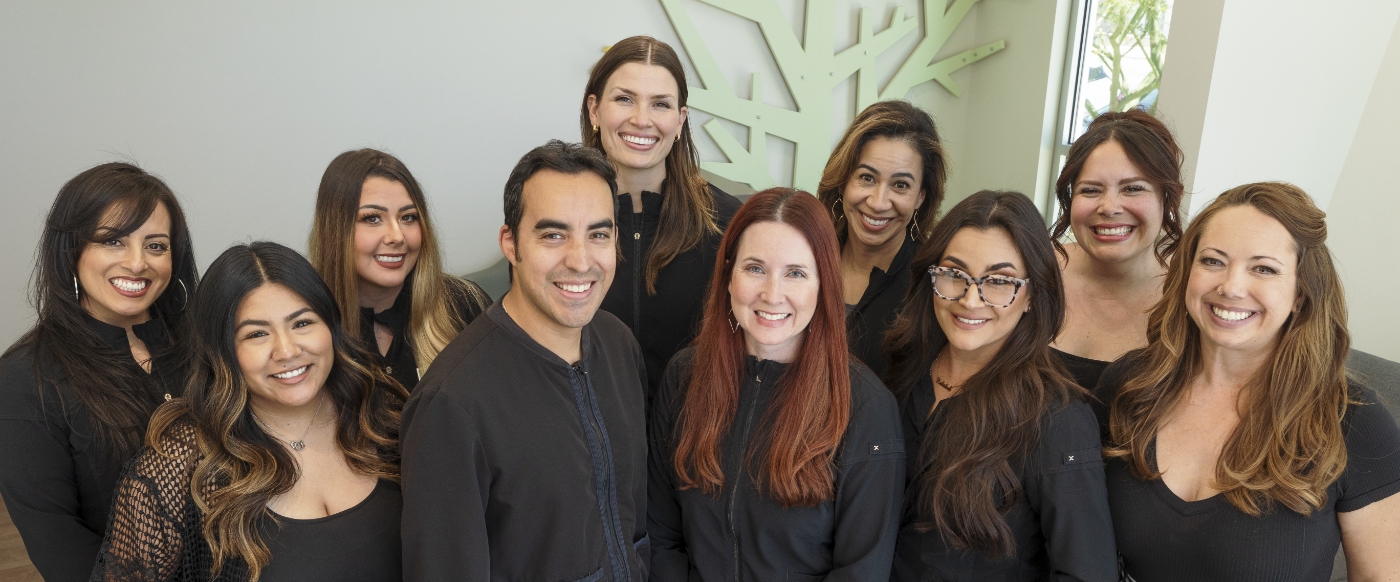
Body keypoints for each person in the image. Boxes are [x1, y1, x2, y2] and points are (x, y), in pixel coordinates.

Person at [1095, 182, 1400, 581]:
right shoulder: (1130, 385)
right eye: (1212, 261)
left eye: (1264, 269)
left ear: (1300, 294)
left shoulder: (1355, 421)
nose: (1231, 287)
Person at [400, 141, 647, 581]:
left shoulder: (618, 344)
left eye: (598, 234)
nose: (580, 260)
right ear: (510, 243)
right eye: (553, 235)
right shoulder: (451, 403)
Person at [89, 241, 408, 581]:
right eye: (256, 334)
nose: (286, 351)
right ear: (221, 352)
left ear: (331, 326)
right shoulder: (179, 464)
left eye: (301, 323)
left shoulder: (383, 414)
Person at [648, 188, 905, 581]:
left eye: (796, 273)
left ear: (824, 286)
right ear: (729, 274)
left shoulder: (865, 407)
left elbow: (860, 572)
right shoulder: (684, 377)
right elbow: (662, 536)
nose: (772, 294)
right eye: (755, 268)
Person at [884, 190, 1117, 582]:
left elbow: (1087, 573)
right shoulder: (901, 369)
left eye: (998, 281)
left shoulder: (1059, 420)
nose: (970, 300)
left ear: (1031, 297)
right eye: (954, 274)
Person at [0, 163, 197, 582]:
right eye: (112, 241)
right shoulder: (24, 378)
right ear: (71, 250)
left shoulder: (204, 344)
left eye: (156, 246)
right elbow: (55, 537)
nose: (137, 263)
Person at [582, 35, 743, 396]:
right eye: (624, 99)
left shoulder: (730, 223)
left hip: (696, 438)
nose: (642, 120)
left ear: (681, 119)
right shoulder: (560, 222)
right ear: (594, 109)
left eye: (660, 104)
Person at [309, 148, 490, 391]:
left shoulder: (464, 302)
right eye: (372, 218)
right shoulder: (305, 320)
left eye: (408, 217)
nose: (397, 236)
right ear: (334, 229)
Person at [1049, 110, 1184, 390]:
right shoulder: (1035, 269)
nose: (1109, 207)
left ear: (1166, 198)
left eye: (1133, 189)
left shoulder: (1191, 291)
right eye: (1090, 190)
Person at [817, 100, 947, 378]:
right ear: (843, 181)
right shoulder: (806, 256)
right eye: (866, 178)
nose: (878, 203)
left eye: (900, 185)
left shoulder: (930, 290)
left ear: (920, 197)